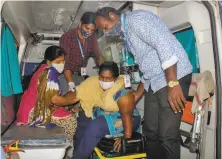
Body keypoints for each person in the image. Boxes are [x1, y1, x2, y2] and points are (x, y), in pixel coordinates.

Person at [95, 7, 193, 159]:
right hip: (155, 81)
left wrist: (173, 83)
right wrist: (138, 93)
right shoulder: (128, 35)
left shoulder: (136, 20)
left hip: (173, 76)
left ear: (112, 15)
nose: (106, 32)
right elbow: (147, 65)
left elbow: (163, 43)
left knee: (167, 135)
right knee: (150, 131)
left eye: (105, 27)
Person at [56, 61, 140, 159]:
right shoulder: (93, 83)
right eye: (101, 77)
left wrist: (126, 137)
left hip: (127, 119)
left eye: (108, 78)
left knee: (94, 127)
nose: (104, 81)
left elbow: (127, 115)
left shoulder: (123, 93)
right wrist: (59, 102)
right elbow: (75, 94)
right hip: (105, 112)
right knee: (81, 121)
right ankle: (77, 153)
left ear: (116, 78)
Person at [16, 46, 79, 142]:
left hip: (30, 108)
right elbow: (55, 100)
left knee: (66, 110)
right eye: (58, 62)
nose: (62, 64)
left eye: (63, 61)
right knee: (71, 121)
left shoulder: (44, 69)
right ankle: (67, 148)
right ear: (49, 62)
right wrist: (75, 98)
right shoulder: (50, 72)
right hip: (33, 112)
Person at [60, 12, 104, 94]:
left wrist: (105, 68)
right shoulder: (67, 37)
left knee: (82, 102)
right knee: (66, 102)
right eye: (87, 28)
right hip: (67, 76)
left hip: (80, 75)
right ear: (80, 24)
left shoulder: (92, 38)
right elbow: (66, 63)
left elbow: (98, 55)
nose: (89, 32)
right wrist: (70, 82)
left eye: (92, 30)